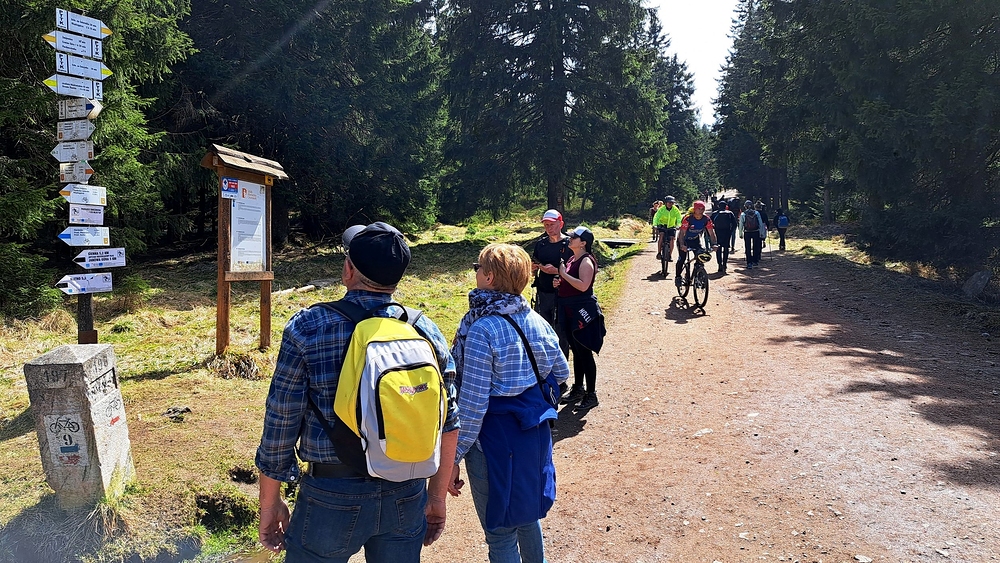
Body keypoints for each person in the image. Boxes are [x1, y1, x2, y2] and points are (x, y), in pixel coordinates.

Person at [255, 221, 461, 562]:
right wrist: (436, 497)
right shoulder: (423, 329)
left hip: (331, 492)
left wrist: (270, 502)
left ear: (348, 270)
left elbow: (281, 421)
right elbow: (449, 421)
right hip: (406, 491)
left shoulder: (309, 327)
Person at [448, 243, 570, 563]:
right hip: (533, 434)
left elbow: (473, 405)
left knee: (500, 532)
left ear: (489, 277)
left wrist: (453, 457)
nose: (475, 272)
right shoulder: (537, 321)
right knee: (527, 517)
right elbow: (561, 372)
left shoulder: (480, 328)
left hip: (493, 443)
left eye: (478, 267)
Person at [555, 226, 606, 412]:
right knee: (576, 351)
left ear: (583, 243)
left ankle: (591, 394)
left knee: (584, 352)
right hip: (570, 311)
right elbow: (570, 282)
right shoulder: (572, 259)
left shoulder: (586, 261)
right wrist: (559, 282)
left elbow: (584, 286)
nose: (570, 238)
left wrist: (563, 275)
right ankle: (578, 388)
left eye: (574, 237)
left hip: (582, 313)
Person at [531, 209, 571, 359]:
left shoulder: (570, 244)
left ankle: (562, 364)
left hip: (563, 295)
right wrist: (533, 269)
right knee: (542, 330)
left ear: (561, 224)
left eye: (552, 224)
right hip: (543, 293)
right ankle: (545, 364)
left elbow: (576, 269)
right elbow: (533, 266)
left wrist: (557, 271)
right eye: (546, 225)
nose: (549, 228)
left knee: (561, 331)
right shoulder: (540, 244)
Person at [676, 201, 719, 285]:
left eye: (703, 209)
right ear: (695, 209)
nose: (701, 210)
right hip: (684, 240)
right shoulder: (688, 219)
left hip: (695, 240)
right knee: (682, 258)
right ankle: (678, 277)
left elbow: (711, 233)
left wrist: (714, 244)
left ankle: (699, 274)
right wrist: (682, 245)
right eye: (699, 209)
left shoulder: (706, 219)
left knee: (701, 256)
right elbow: (681, 233)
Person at [710, 202, 737, 274]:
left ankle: (719, 265)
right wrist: (730, 231)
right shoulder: (729, 213)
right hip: (727, 232)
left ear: (718, 206)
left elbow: (710, 224)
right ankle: (724, 264)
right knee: (726, 249)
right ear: (726, 206)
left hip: (717, 233)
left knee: (718, 249)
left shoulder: (714, 213)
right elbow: (734, 224)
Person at [653, 196, 682, 262]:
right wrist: (655, 225)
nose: (670, 204)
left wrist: (678, 225)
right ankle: (659, 253)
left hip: (671, 226)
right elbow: (656, 217)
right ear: (666, 203)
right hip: (662, 225)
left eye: (672, 203)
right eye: (669, 202)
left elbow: (679, 218)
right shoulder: (661, 209)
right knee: (661, 235)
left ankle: (670, 255)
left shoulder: (675, 209)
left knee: (672, 239)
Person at [739, 200, 767, 269]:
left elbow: (741, 224)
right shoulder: (756, 213)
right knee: (756, 246)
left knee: (747, 247)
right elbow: (760, 223)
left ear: (745, 206)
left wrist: (740, 234)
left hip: (747, 232)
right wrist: (761, 233)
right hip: (756, 231)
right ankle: (755, 261)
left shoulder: (743, 214)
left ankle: (749, 263)